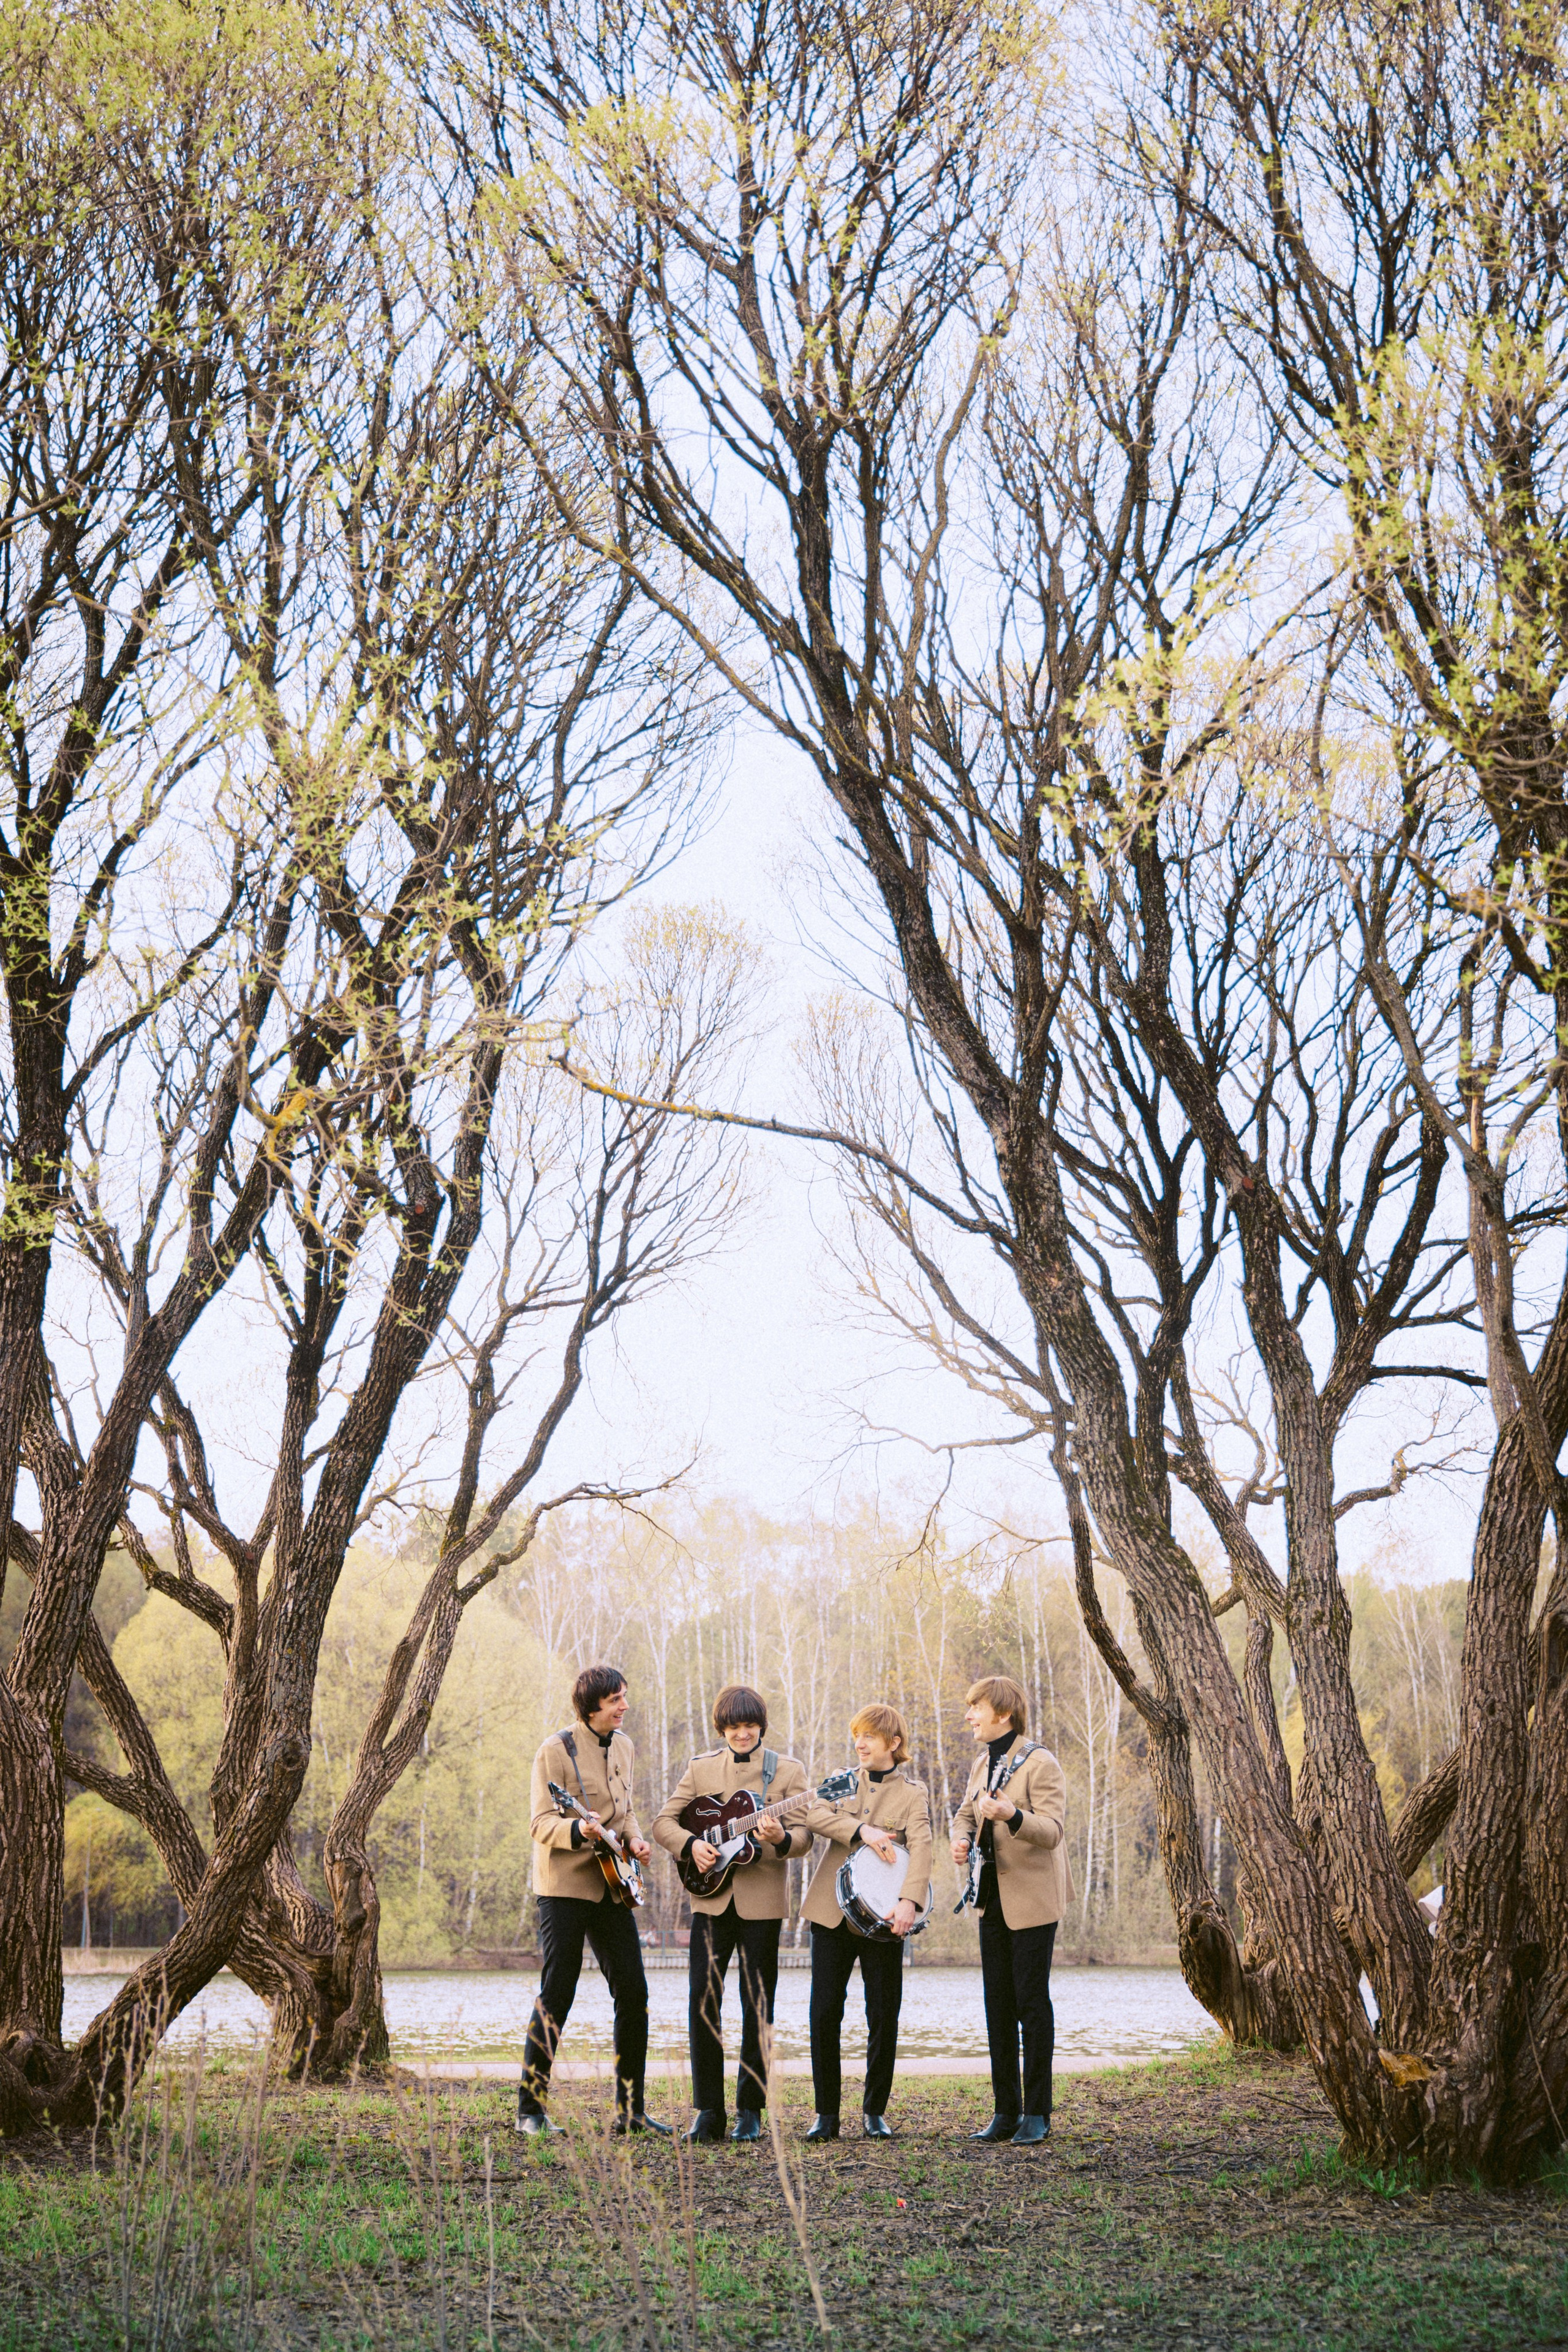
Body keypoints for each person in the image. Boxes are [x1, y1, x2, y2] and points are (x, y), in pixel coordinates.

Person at [653, 1684, 811, 2143]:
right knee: (703, 2002)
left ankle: (750, 2108)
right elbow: (665, 1822)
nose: (742, 1734)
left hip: (762, 1903)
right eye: (733, 1727)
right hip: (709, 1898)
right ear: (722, 1728)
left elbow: (804, 1838)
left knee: (757, 2005)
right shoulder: (701, 1769)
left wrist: (780, 1838)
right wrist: (691, 1845)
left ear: (761, 1726)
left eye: (749, 1726)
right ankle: (708, 2111)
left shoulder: (789, 1771)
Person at [519, 1665, 669, 2139]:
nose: (624, 1705)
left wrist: (638, 1842)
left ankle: (631, 2112)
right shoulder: (554, 1750)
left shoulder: (625, 1746)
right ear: (591, 1708)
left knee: (634, 1992)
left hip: (614, 1885)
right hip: (563, 1887)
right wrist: (577, 1831)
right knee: (557, 1991)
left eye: (625, 1696)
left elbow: (625, 1814)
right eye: (615, 1700)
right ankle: (531, 2111)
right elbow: (541, 1823)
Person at [800, 1702, 932, 2143]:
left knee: (883, 2016)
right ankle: (826, 2115)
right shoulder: (841, 1780)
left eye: (870, 1737)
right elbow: (812, 1814)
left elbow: (925, 1849)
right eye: (857, 1735)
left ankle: (875, 2111)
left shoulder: (914, 1794)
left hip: (885, 1919)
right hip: (830, 1914)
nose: (860, 1743)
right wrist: (863, 1831)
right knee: (824, 2014)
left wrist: (910, 1901)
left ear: (893, 1744)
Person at [950, 1674, 1071, 2147]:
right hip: (990, 1900)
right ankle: (1006, 2112)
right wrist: (961, 1839)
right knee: (997, 2005)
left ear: (1002, 1713)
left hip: (1034, 1901)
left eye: (975, 1707)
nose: (968, 1716)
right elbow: (964, 1813)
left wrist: (1012, 1816)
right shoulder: (982, 1763)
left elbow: (1053, 1831)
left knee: (1031, 2004)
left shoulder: (1041, 1763)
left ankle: (1037, 2113)